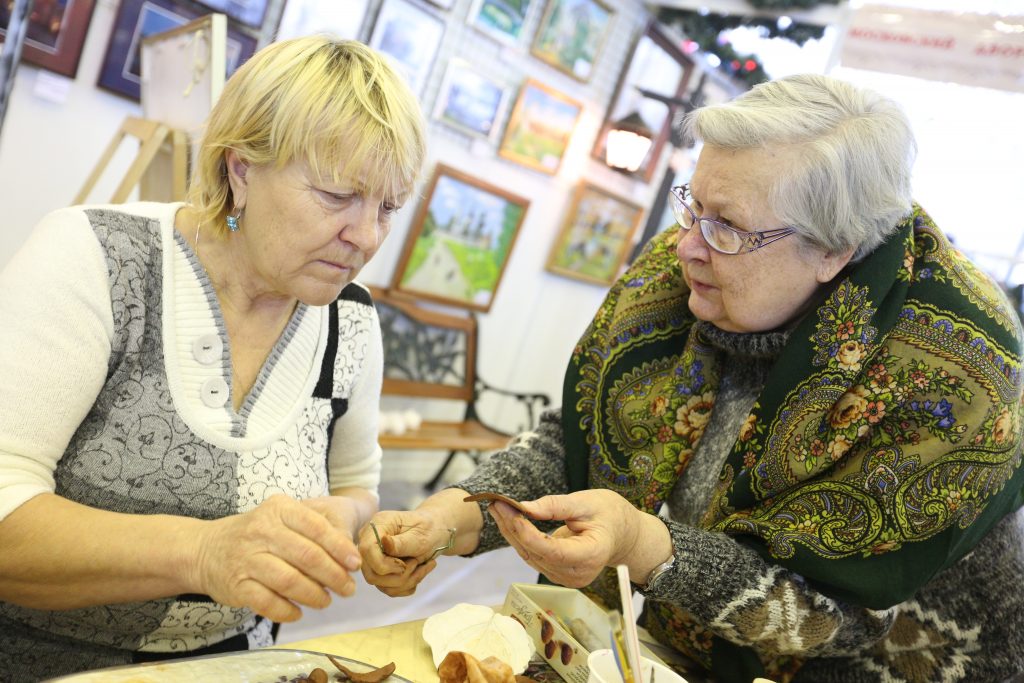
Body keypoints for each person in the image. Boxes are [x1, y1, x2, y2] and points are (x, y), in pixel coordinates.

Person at [359, 74, 1024, 682]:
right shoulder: (678, 276)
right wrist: (460, 511)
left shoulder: (947, 378)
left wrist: (648, 546)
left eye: (727, 225)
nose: (687, 245)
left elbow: (838, 616)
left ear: (833, 250)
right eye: (692, 204)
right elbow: (580, 444)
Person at [0, 36, 425, 681]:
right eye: (338, 196)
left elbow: (357, 481)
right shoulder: (95, 260)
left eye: (387, 208)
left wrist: (340, 522)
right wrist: (204, 553)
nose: (366, 237)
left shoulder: (350, 319)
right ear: (240, 169)